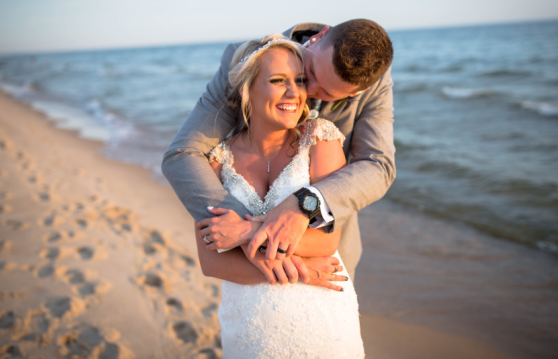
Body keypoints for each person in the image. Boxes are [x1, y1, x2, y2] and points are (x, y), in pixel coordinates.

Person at [163, 20, 395, 281]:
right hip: (247, 265)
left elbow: (379, 166)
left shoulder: (373, 83)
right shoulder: (251, 61)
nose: (304, 92)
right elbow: (184, 153)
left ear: (358, 91)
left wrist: (307, 204)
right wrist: (248, 232)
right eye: (310, 74)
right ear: (319, 37)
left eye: (326, 92)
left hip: (326, 260)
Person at [196, 34, 364, 357]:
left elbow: (326, 241)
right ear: (248, 89)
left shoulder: (321, 141)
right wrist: (303, 272)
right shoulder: (216, 161)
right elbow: (210, 261)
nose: (294, 93)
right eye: (277, 80)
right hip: (248, 326)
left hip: (322, 322)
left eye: (300, 81)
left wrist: (245, 232)